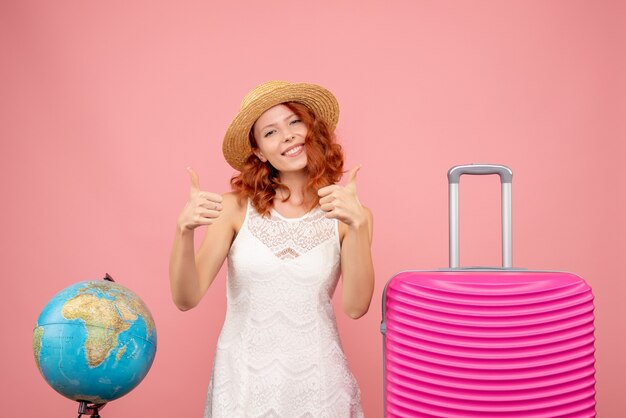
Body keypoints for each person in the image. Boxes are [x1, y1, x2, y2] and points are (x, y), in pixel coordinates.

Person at [169, 80, 374, 417]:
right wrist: (183, 232)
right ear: (260, 153)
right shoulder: (233, 208)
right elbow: (186, 298)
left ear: (312, 130)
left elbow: (355, 307)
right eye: (270, 132)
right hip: (244, 380)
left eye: (295, 122)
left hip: (317, 382)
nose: (288, 135)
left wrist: (358, 226)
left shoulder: (351, 215)